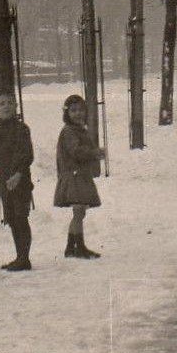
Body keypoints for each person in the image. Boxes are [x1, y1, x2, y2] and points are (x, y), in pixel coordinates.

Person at [0, 93, 35, 272]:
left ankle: (24, 258)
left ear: (16, 107)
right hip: (4, 182)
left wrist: (18, 174)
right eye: (2, 103)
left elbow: (27, 154)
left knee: (21, 217)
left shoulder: (22, 129)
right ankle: (19, 256)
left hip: (20, 181)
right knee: (12, 219)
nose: (6, 106)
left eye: (10, 103)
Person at [54, 93, 105, 259]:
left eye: (81, 110)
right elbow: (76, 152)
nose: (78, 113)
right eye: (73, 110)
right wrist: (94, 153)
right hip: (74, 177)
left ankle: (71, 246)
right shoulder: (69, 131)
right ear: (67, 113)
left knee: (80, 212)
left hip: (79, 176)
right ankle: (79, 246)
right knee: (78, 212)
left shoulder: (79, 130)